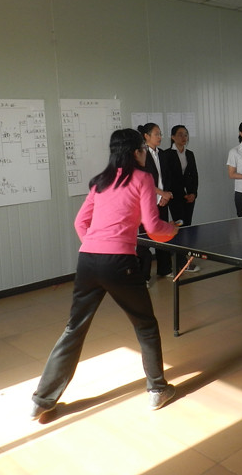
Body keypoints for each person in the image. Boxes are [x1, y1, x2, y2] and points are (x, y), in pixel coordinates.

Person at [30, 129, 178, 420]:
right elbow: (153, 228)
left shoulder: (100, 181)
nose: (145, 153)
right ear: (136, 152)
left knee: (74, 328)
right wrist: (173, 230)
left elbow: (79, 222)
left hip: (87, 260)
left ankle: (41, 400)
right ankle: (158, 389)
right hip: (120, 261)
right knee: (146, 325)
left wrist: (97, 246)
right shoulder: (143, 178)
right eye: (143, 149)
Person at [137, 123, 173, 280]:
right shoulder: (140, 154)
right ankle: (143, 276)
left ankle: (164, 269)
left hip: (162, 202)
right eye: (156, 134)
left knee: (162, 235)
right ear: (146, 136)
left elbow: (167, 177)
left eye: (160, 134)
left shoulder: (162, 154)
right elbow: (144, 181)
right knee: (145, 240)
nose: (160, 137)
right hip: (146, 203)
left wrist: (166, 196)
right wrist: (161, 194)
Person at [163, 125, 200, 273]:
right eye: (180, 134)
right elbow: (168, 178)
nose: (184, 137)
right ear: (172, 137)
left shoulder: (190, 154)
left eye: (185, 134)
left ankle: (185, 260)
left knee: (188, 227)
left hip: (189, 197)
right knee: (179, 226)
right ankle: (180, 261)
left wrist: (193, 193)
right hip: (175, 197)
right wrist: (178, 193)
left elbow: (194, 175)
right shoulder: (166, 154)